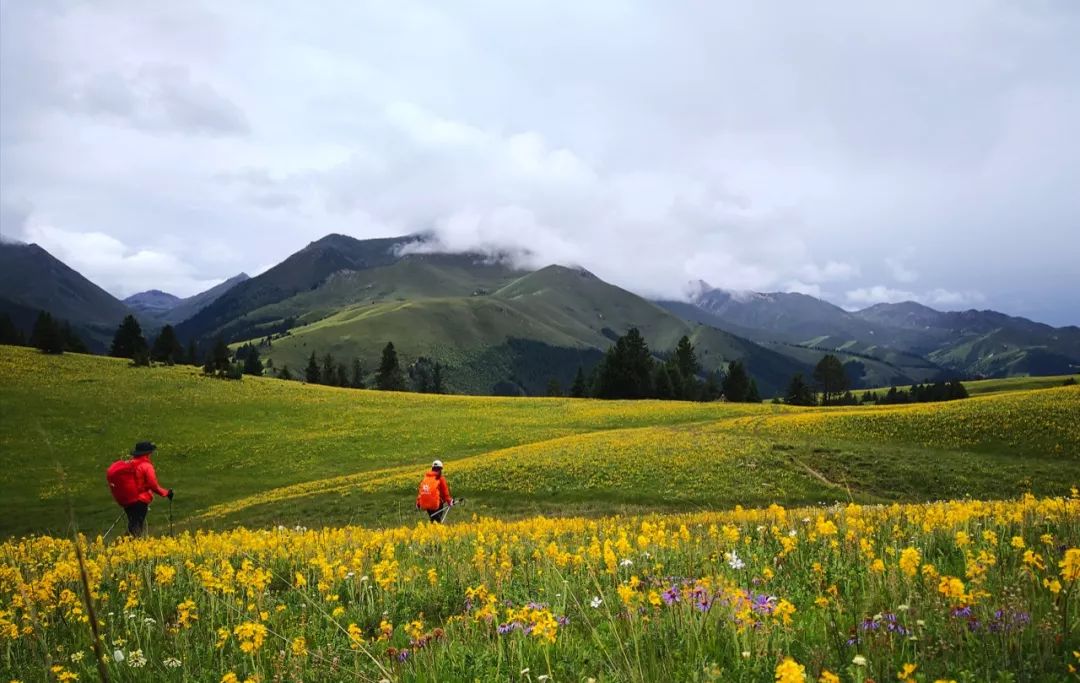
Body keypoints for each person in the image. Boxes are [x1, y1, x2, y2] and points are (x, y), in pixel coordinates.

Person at [108, 441, 173, 537]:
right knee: (136, 527)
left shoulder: (131, 463)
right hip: (140, 501)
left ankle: (127, 545)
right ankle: (128, 546)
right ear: (148, 453)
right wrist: (166, 493)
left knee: (133, 524)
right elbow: (153, 485)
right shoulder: (146, 466)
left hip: (128, 500)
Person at [416, 459, 453, 523]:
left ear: (432, 468)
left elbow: (421, 492)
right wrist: (450, 501)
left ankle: (432, 530)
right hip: (436, 504)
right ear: (440, 469)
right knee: (437, 521)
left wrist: (418, 502)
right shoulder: (440, 478)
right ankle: (435, 531)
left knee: (433, 519)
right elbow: (445, 492)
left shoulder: (426, 478)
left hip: (426, 504)